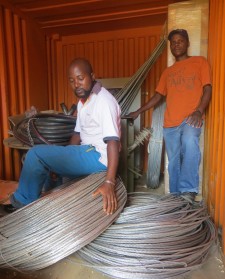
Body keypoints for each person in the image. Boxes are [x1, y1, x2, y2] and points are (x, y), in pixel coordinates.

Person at [1, 58, 121, 215]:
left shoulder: (104, 101)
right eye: (71, 81)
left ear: (92, 76)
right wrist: (63, 158)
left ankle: (22, 203)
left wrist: (109, 182)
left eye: (80, 78)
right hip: (88, 150)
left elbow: (113, 141)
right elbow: (77, 134)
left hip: (98, 155)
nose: (76, 84)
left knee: (36, 154)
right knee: (50, 165)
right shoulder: (83, 101)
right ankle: (49, 208)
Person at [128, 29, 212, 203]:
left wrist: (199, 111)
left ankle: (188, 191)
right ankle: (175, 196)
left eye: (180, 41)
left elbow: (207, 89)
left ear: (187, 43)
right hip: (170, 124)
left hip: (191, 118)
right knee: (173, 160)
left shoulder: (200, 62)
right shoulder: (167, 72)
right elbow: (158, 96)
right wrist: (139, 111)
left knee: (190, 143)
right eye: (173, 42)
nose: (176, 44)